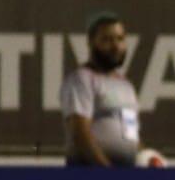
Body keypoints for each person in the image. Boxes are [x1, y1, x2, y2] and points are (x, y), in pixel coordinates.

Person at [60, 12, 143, 168]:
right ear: (91, 43)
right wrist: (106, 172)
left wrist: (147, 159)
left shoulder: (126, 86)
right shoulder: (82, 79)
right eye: (107, 39)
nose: (115, 46)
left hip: (125, 174)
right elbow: (80, 133)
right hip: (90, 174)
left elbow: (131, 137)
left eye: (120, 39)